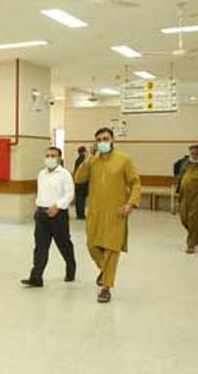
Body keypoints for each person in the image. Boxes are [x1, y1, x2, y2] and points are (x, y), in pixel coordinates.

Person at [74, 128, 141, 303]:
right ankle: (105, 271)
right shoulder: (93, 161)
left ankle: (105, 287)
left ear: (112, 140)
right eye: (99, 139)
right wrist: (87, 160)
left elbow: (135, 183)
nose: (102, 142)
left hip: (116, 212)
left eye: (105, 138)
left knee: (111, 249)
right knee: (92, 245)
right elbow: (78, 179)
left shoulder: (124, 160)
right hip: (96, 212)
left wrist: (130, 204)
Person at [21, 147, 76, 288]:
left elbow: (69, 194)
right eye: (47, 155)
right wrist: (38, 208)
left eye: (53, 156)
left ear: (59, 158)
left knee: (63, 244)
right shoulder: (41, 174)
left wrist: (57, 206)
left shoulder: (64, 175)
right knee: (40, 247)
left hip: (58, 215)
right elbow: (41, 193)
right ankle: (36, 277)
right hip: (42, 215)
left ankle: (71, 266)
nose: (49, 158)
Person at [74, 146, 89, 220]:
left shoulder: (77, 160)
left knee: (79, 199)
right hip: (84, 183)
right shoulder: (85, 160)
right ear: (84, 151)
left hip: (78, 183)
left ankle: (79, 214)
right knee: (81, 200)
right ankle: (81, 214)